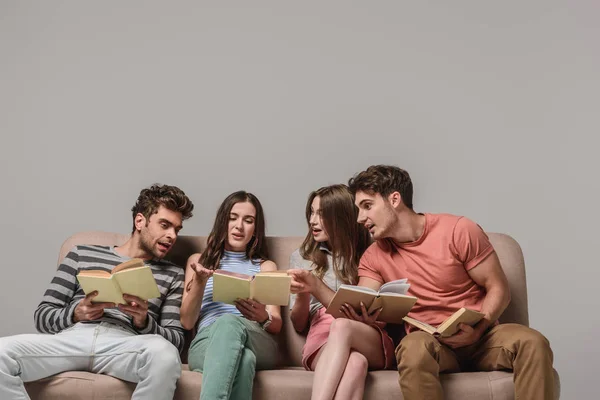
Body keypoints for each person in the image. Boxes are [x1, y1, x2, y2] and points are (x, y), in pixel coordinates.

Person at [344, 164, 556, 400]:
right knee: (412, 348)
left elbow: (498, 288)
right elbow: (364, 297)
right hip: (432, 344)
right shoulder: (374, 256)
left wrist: (479, 328)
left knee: (533, 342)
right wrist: (364, 314)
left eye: (367, 206)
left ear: (394, 199)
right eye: (358, 209)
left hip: (482, 338)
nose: (360, 218)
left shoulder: (458, 230)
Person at [0, 184, 195, 400]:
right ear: (140, 221)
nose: (172, 236)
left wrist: (143, 322)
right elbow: (43, 316)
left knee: (165, 356)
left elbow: (176, 340)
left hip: (126, 345)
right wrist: (76, 313)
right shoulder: (81, 254)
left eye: (177, 229)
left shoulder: (173, 274)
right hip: (74, 337)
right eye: (165, 225)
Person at [288, 184, 396, 400]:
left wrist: (376, 316)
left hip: (367, 334)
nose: (312, 220)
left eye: (321, 214)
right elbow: (299, 324)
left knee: (342, 325)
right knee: (357, 363)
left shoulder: (373, 253)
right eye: (311, 212)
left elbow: (386, 312)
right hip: (322, 336)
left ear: (342, 217)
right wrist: (303, 292)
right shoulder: (301, 257)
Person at [180, 190, 282, 400]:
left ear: (255, 228)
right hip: (206, 342)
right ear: (222, 221)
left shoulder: (266, 266)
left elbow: (277, 324)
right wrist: (199, 282)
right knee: (243, 360)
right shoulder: (198, 261)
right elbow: (187, 322)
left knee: (229, 322)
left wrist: (262, 315)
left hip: (256, 337)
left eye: (248, 220)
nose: (239, 226)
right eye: (232, 218)